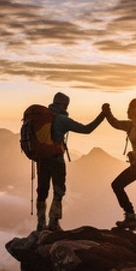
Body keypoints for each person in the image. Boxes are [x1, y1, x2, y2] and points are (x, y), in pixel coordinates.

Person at [37, 92, 106, 231]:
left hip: (41, 159)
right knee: (58, 190)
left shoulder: (42, 117)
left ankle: (40, 224)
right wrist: (102, 115)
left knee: (42, 191)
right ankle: (53, 222)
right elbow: (86, 129)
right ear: (63, 105)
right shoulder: (62, 119)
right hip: (56, 160)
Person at [102, 99, 136, 240]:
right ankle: (131, 217)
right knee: (118, 185)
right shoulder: (131, 125)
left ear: (135, 110)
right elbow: (115, 123)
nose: (127, 111)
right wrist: (107, 114)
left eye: (129, 108)